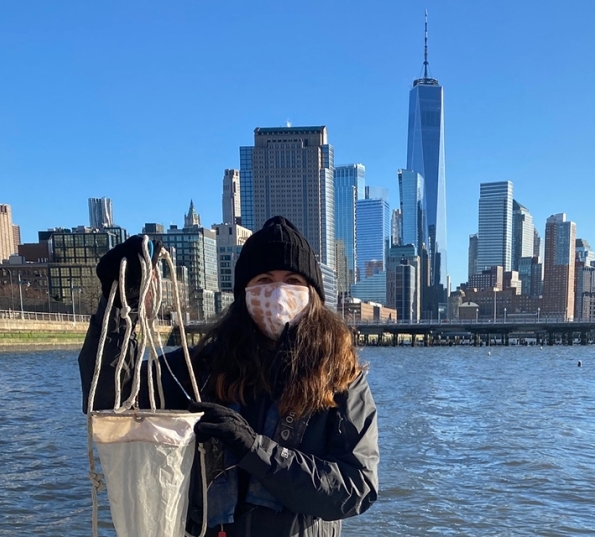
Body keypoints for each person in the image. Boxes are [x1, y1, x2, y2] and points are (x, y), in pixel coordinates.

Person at [78, 216, 379, 537]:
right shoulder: (200, 368)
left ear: (313, 294)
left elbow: (356, 488)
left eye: (293, 280)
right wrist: (119, 304)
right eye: (264, 279)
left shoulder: (342, 376)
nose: (278, 292)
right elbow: (110, 401)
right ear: (243, 293)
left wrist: (255, 449)